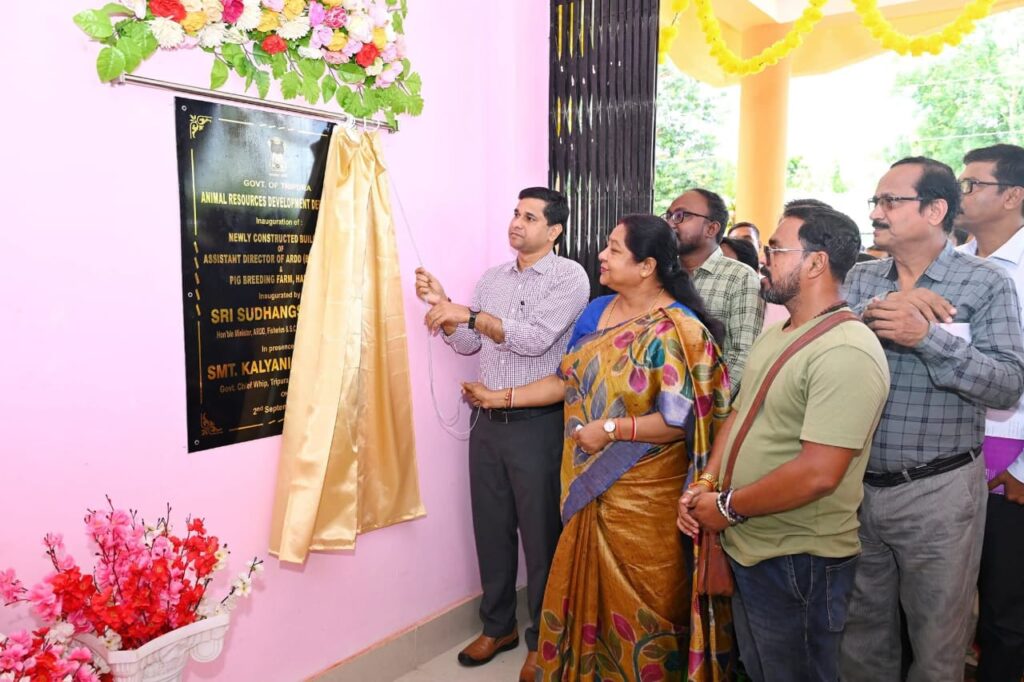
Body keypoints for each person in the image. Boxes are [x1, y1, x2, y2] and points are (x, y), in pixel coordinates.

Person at [464, 214, 733, 681]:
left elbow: (686, 420)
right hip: (586, 481)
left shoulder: (680, 329)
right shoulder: (599, 311)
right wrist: (500, 398)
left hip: (646, 499)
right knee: (586, 590)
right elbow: (565, 381)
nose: (601, 256)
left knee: (645, 605)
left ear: (647, 266)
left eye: (614, 249)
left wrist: (610, 429)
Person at [678, 203, 890, 682]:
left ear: (815, 262)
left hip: (798, 557)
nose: (764, 259)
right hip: (752, 541)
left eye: (776, 250)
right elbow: (739, 415)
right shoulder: (779, 333)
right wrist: (706, 482)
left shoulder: (846, 350)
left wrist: (727, 506)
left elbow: (819, 474)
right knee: (760, 669)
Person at [838, 157, 1024, 682]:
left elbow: (1008, 384)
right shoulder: (861, 278)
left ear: (935, 210)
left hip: (939, 491)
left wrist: (928, 338)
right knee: (860, 640)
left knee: (938, 644)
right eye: (876, 201)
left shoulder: (984, 282)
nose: (876, 213)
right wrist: (881, 310)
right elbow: (824, 342)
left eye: (890, 201)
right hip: (854, 484)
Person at [415, 187, 590, 681]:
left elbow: (535, 340)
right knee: (490, 530)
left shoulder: (568, 276)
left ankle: (544, 640)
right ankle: (498, 627)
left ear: (554, 230)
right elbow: (470, 343)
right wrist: (446, 308)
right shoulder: (492, 278)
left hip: (537, 424)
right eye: (516, 213)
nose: (517, 223)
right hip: (487, 423)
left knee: (541, 537)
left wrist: (467, 314)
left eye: (530, 217)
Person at [956, 143, 1024, 682]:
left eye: (973, 184)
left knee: (1006, 613)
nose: (961, 194)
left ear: (1013, 196)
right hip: (946, 455)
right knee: (938, 605)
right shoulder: (950, 262)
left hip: (1011, 465)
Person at [667, 188, 765, 398]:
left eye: (681, 216)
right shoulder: (661, 273)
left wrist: (707, 405)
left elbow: (743, 354)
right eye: (669, 216)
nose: (671, 223)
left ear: (711, 228)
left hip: (709, 405)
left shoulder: (739, 276)